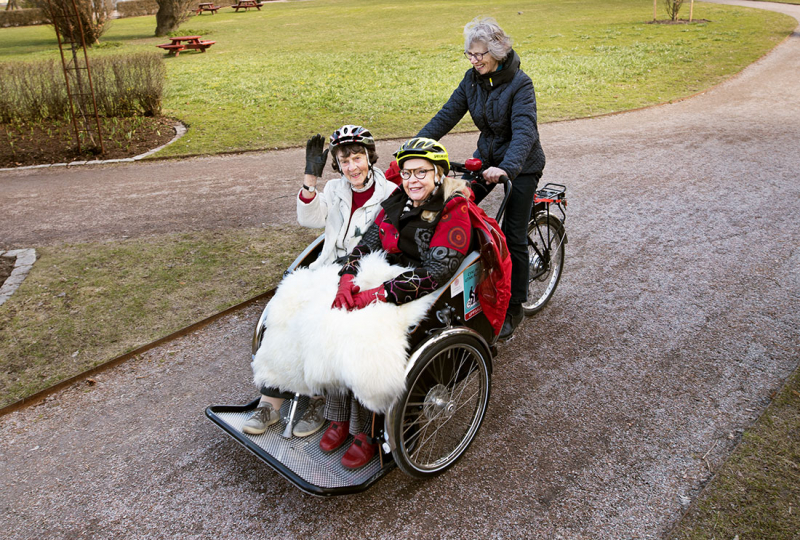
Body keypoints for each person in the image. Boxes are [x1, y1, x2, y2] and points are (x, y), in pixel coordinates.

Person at [326, 137, 472, 469]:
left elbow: (435, 272)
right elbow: (369, 241)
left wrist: (374, 295)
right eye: (407, 173)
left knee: (367, 336)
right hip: (389, 275)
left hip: (424, 287)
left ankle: (367, 430)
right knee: (332, 318)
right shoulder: (398, 200)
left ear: (438, 174)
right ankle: (336, 414)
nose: (412, 180)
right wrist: (348, 277)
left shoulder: (453, 207)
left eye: (421, 172)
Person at [242, 125, 396, 438]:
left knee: (317, 318)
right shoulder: (336, 191)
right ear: (337, 164)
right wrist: (310, 180)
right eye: (344, 160)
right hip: (326, 268)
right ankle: (270, 401)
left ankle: (316, 398)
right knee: (284, 309)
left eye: (357, 158)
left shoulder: (389, 195)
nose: (352, 166)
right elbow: (309, 219)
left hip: (360, 273)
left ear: (369, 157)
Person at [416, 16, 546, 340]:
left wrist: (507, 168)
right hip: (485, 161)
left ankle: (513, 306)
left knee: (511, 235)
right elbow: (448, 114)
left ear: (497, 51)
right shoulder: (472, 80)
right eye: (469, 55)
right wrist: (415, 147)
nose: (474, 61)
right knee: (455, 210)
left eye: (479, 55)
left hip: (521, 166)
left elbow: (524, 133)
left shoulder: (521, 84)